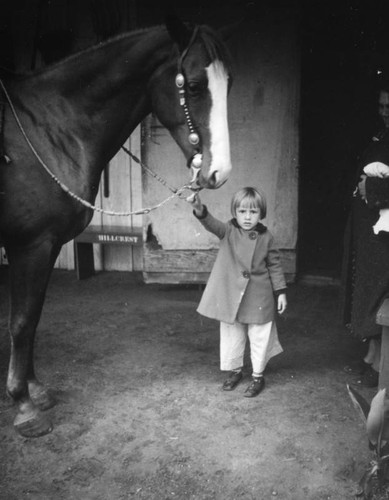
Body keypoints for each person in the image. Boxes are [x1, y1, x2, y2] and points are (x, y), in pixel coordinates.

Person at [187, 186, 287, 397]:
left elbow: (275, 265)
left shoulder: (266, 237)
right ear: (235, 212)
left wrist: (281, 292)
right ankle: (235, 371)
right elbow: (210, 223)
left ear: (262, 213)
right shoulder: (228, 231)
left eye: (253, 212)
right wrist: (199, 208)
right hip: (232, 295)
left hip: (258, 295)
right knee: (232, 334)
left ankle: (258, 376)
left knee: (260, 336)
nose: (248, 217)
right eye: (242, 212)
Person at [341, 82, 389, 387]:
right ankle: (373, 355)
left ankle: (379, 363)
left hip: (384, 232)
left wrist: (372, 189)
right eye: (382, 106)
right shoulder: (379, 136)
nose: (385, 113)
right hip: (370, 229)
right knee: (370, 289)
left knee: (380, 291)